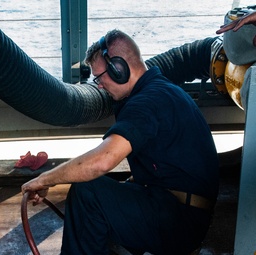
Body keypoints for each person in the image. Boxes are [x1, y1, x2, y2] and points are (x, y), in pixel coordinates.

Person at [21, 29, 219, 255]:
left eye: (99, 77)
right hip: (183, 212)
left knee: (89, 192)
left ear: (119, 69)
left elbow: (101, 161)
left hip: (180, 221)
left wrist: (45, 179)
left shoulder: (146, 102)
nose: (99, 86)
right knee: (111, 193)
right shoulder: (161, 90)